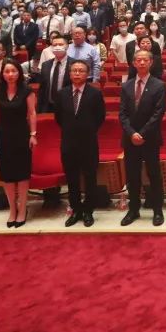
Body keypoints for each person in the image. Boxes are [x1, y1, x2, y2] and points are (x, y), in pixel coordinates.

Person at [53, 60, 106, 228]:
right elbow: (58, 117)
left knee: (90, 177)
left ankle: (88, 211)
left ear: (87, 74)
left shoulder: (95, 94)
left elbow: (100, 117)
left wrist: (86, 129)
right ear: (69, 74)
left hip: (88, 142)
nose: (77, 73)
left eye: (81, 71)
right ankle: (76, 210)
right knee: (72, 178)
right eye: (74, 70)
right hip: (68, 142)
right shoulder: (62, 94)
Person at [119, 49, 166, 226]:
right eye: (138, 60)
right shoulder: (126, 86)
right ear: (133, 63)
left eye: (145, 60)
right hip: (130, 138)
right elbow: (122, 114)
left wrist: (142, 133)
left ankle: (157, 210)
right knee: (132, 176)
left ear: (150, 62)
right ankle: (133, 210)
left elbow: (158, 113)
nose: (141, 63)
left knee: (154, 174)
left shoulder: (159, 85)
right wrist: (132, 133)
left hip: (150, 138)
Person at [0, 59, 37, 228]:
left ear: (19, 73)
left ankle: (23, 209)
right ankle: (12, 209)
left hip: (22, 135)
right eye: (7, 71)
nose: (10, 74)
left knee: (22, 175)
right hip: (3, 136)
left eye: (13, 71)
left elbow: (32, 113)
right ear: (2, 74)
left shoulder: (27, 91)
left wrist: (33, 134)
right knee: (7, 176)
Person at [36, 36, 69, 113]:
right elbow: (42, 89)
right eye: (54, 45)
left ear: (67, 46)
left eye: (60, 44)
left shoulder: (74, 64)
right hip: (48, 106)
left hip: (67, 107)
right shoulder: (45, 65)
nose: (57, 47)